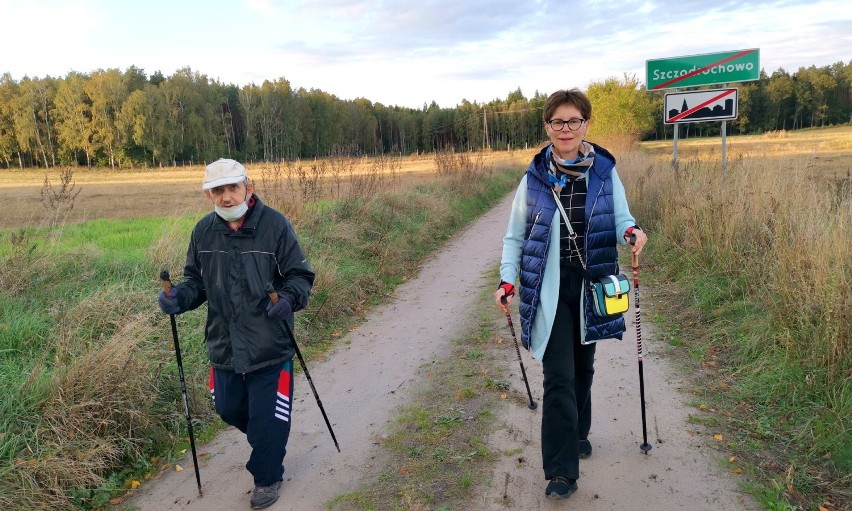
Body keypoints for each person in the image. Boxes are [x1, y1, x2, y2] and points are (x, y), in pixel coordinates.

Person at [493, 89, 647, 501]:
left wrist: (631, 233)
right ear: (547, 127)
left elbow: (621, 219)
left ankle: (579, 430)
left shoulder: (604, 172)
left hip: (592, 283)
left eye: (573, 121)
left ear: (586, 125)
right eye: (557, 122)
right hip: (548, 288)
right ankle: (561, 471)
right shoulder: (534, 179)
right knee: (558, 375)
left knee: (584, 367)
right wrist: (508, 280)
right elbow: (514, 238)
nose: (565, 129)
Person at [157, 158, 315, 509]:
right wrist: (177, 298)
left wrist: (288, 300)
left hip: (271, 345)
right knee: (227, 408)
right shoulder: (203, 232)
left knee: (269, 418)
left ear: (248, 187)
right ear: (208, 196)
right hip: (224, 345)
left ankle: (267, 476)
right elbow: (195, 283)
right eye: (218, 190)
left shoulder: (275, 226)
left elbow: (300, 276)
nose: (227, 197)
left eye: (232, 188)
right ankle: (267, 441)